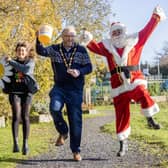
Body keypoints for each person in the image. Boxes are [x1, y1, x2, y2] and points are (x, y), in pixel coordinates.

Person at [79, 6, 166, 156]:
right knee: (121, 114)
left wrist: (155, 17)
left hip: (133, 79)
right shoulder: (107, 46)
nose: (117, 34)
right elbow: (93, 46)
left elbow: (148, 30)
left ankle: (150, 118)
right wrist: (87, 37)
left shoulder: (135, 40)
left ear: (124, 32)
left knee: (142, 93)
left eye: (119, 32)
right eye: (114, 32)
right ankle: (123, 144)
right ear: (111, 34)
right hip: (117, 85)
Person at [35, 25, 92, 161]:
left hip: (76, 90)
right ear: (62, 36)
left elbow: (89, 67)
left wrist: (79, 72)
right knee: (54, 108)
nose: (70, 38)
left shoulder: (81, 50)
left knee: (75, 120)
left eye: (72, 35)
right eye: (67, 36)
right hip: (59, 88)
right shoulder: (55, 49)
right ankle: (63, 131)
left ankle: (76, 151)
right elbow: (41, 51)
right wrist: (38, 38)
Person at [4, 42, 36, 155]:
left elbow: (25, 70)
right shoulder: (9, 63)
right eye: (19, 50)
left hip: (27, 93)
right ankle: (16, 143)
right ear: (16, 52)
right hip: (14, 93)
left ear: (26, 52)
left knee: (25, 116)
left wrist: (10, 61)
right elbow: (3, 74)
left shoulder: (30, 62)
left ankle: (25, 144)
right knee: (16, 116)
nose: (21, 52)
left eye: (23, 50)